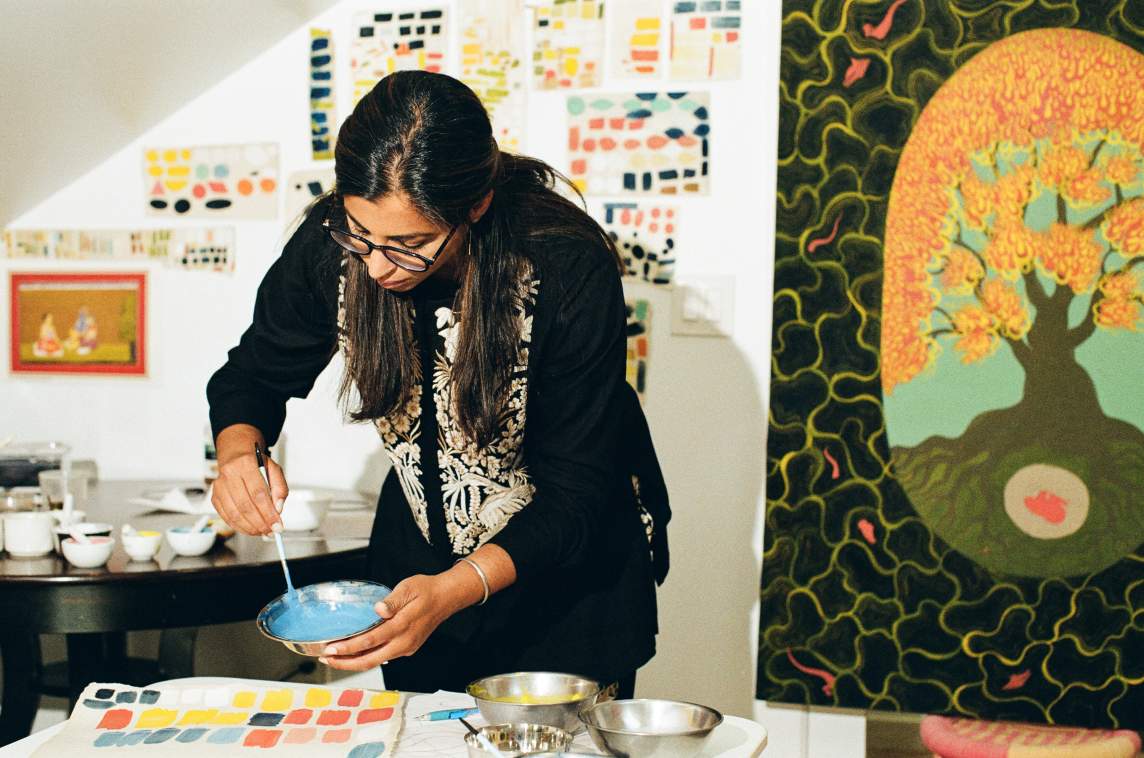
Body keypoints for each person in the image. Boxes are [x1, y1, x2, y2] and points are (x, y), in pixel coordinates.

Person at [207, 71, 670, 697]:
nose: (376, 266)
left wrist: (455, 589)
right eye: (361, 235)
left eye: (410, 244)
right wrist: (239, 454)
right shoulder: (334, 244)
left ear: (474, 205)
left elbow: (578, 492)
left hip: (568, 589)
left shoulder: (563, 264)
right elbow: (255, 373)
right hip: (416, 581)